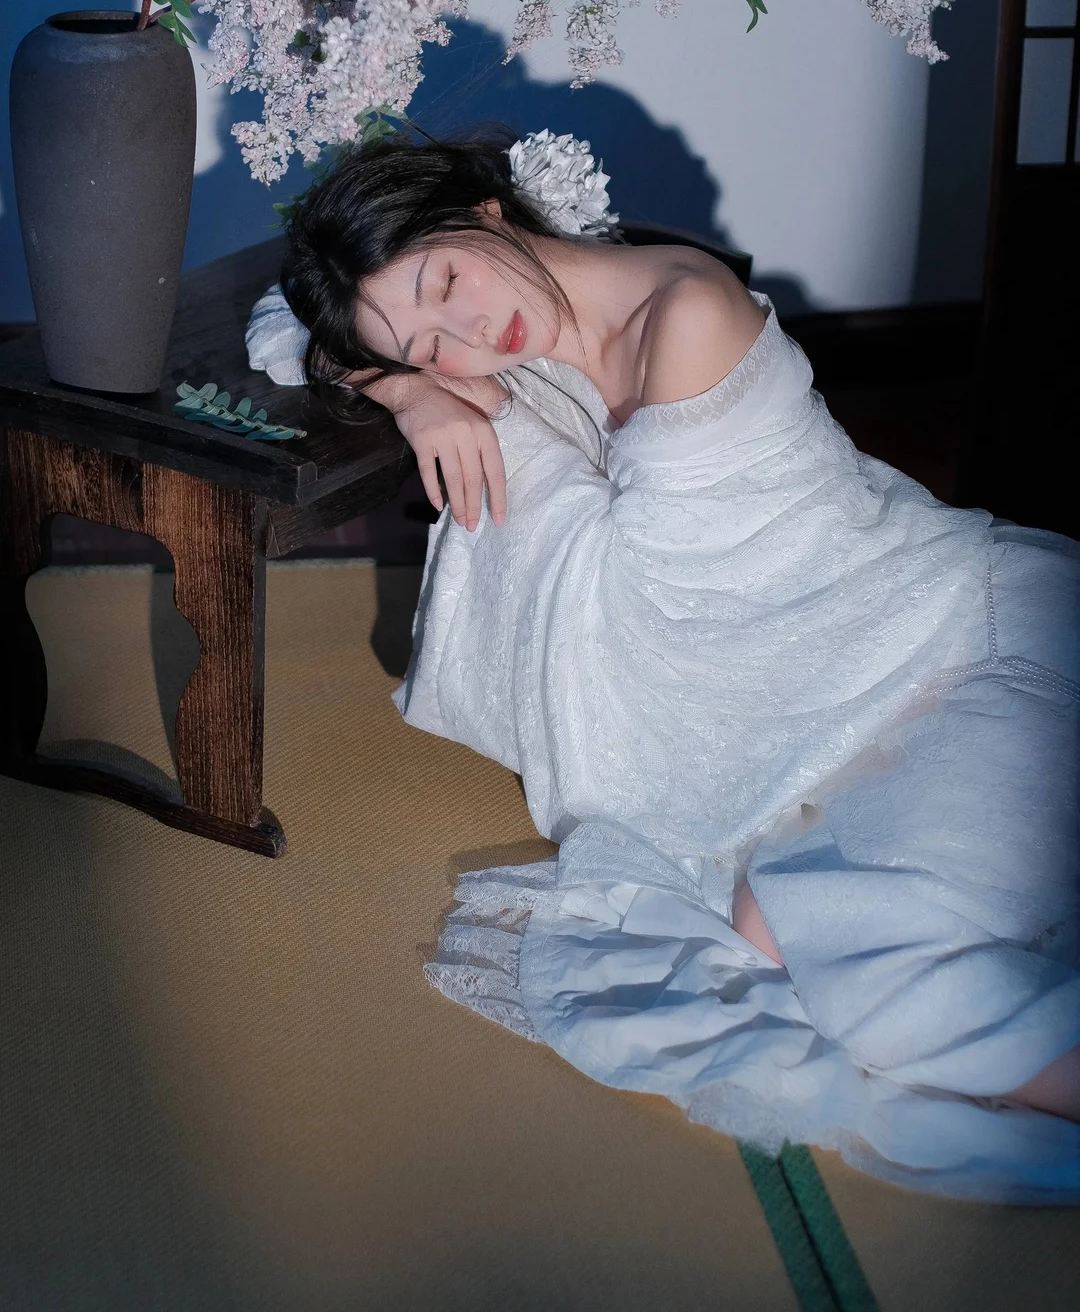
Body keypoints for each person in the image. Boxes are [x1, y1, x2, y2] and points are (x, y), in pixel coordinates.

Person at [250, 128, 1080, 1202]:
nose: (466, 336)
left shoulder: (683, 320)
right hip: (853, 681)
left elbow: (694, 642)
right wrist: (416, 396)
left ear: (485, 210)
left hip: (963, 642)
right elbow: (285, 325)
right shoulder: (489, 340)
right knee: (781, 929)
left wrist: (466, 398)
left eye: (446, 283)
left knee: (850, 951)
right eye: (425, 345)